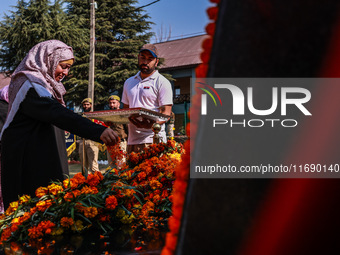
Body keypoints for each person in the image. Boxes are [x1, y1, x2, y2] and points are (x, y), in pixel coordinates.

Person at [0, 40, 118, 210]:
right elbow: (56, 113)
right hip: (27, 163)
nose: (66, 72)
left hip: (42, 157)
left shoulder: (45, 86)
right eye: (62, 66)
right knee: (31, 217)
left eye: (69, 68)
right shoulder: (28, 84)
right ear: (48, 60)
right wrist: (97, 131)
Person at [122, 44, 173, 153]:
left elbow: (166, 113)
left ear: (156, 62)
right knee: (130, 170)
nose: (145, 62)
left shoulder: (162, 82)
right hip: (132, 141)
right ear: (138, 58)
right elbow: (125, 111)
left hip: (153, 140)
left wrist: (152, 125)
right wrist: (113, 120)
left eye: (150, 59)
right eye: (143, 57)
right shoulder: (129, 82)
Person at [78, 97, 101, 173]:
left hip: (92, 142)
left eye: (88, 104)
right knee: (84, 166)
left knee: (93, 165)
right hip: (82, 141)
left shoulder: (95, 116)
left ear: (91, 105)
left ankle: (97, 182)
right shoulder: (80, 116)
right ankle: (85, 183)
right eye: (84, 105)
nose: (86, 106)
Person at [106, 95, 128, 165]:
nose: (111, 105)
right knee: (111, 165)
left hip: (120, 142)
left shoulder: (123, 114)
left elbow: (127, 129)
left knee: (121, 165)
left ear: (118, 103)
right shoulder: (108, 115)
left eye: (113, 103)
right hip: (111, 143)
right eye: (110, 103)